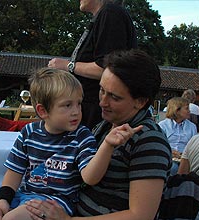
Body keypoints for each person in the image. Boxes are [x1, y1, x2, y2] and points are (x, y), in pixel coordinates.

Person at [0, 49, 171, 220]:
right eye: (101, 90)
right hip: (72, 216)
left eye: (114, 97)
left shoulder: (149, 141)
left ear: (140, 102)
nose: (102, 102)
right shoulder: (106, 125)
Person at [0, 67, 142, 220]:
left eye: (78, 103)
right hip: (27, 194)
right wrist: (4, 198)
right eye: (67, 105)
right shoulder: (29, 132)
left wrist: (107, 146)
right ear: (43, 111)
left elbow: (90, 177)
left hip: (58, 202)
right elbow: (14, 172)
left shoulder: (81, 136)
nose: (76, 112)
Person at [47, 0, 137, 130]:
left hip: (96, 115)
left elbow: (109, 69)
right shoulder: (106, 15)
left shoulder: (110, 13)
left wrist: (68, 66)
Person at [158, 97, 197, 175]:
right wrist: (170, 152)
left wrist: (183, 155)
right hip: (168, 157)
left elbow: (194, 146)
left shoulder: (192, 126)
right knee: (173, 168)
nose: (189, 111)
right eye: (186, 109)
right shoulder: (162, 125)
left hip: (185, 158)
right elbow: (159, 145)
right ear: (177, 110)